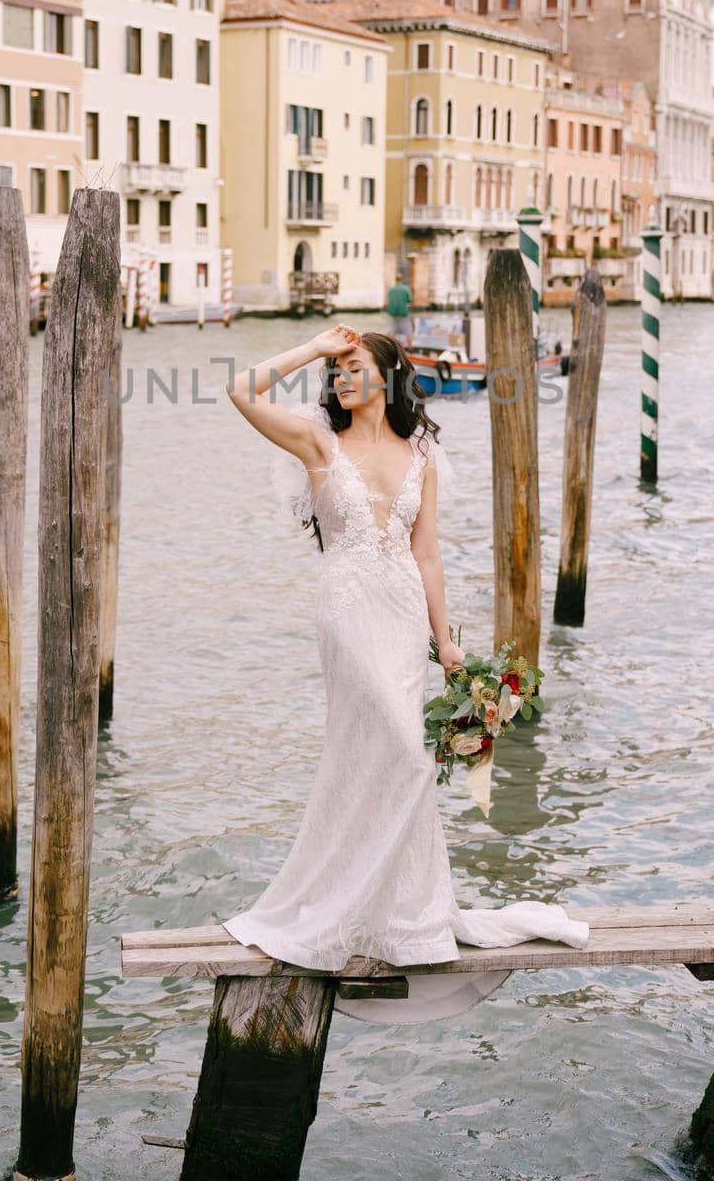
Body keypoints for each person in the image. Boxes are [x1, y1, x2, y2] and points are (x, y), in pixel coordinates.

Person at [220, 323, 589, 1023]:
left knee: (381, 754)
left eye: (355, 367)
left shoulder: (420, 453)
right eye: (337, 372)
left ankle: (397, 915)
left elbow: (427, 556)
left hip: (398, 612)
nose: (342, 379)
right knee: (404, 750)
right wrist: (314, 347)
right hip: (347, 607)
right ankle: (346, 906)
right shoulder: (315, 441)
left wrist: (444, 642)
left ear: (387, 377)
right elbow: (240, 390)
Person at [386, 271, 412, 341]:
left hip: (394, 313)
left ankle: (391, 348)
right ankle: (410, 348)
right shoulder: (406, 288)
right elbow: (410, 299)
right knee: (408, 331)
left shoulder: (391, 289)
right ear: (401, 279)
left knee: (393, 330)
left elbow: (389, 299)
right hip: (403, 313)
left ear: (395, 279)